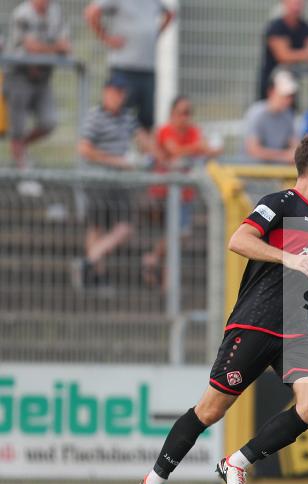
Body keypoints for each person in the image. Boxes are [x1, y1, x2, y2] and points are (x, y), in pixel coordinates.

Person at [139, 134, 308, 484]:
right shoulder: (278, 203)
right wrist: (287, 257)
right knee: (211, 411)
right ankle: (154, 482)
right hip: (255, 323)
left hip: (292, 327)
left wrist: (304, 309)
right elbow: (240, 240)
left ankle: (238, 462)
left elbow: (301, 275)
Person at [74, 75, 158, 291]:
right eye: (113, 92)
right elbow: (84, 149)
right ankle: (96, 275)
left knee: (125, 227)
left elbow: (145, 142)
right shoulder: (95, 116)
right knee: (97, 226)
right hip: (98, 180)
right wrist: (117, 161)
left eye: (120, 93)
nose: (117, 97)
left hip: (120, 182)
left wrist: (149, 152)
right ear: (105, 93)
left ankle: (88, 261)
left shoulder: (127, 118)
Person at [143, 95, 222, 287]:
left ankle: (159, 269)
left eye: (188, 113)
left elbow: (211, 150)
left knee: (180, 236)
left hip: (184, 195)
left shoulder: (193, 131)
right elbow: (175, 150)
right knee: (177, 235)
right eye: (182, 113)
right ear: (172, 114)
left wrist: (203, 148)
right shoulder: (165, 131)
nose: (185, 117)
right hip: (163, 194)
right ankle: (156, 264)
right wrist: (198, 148)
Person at [5, 0, 70, 186]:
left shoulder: (56, 11)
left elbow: (66, 44)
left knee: (49, 122)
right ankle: (23, 176)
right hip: (18, 76)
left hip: (43, 78)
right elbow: (30, 47)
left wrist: (44, 53)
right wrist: (54, 49)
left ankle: (20, 149)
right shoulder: (22, 13)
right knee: (17, 129)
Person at [84, 0, 174, 131]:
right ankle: (112, 150)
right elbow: (91, 12)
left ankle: (145, 151)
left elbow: (170, 14)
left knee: (146, 121)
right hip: (123, 68)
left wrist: (155, 34)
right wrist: (105, 38)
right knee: (116, 117)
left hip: (147, 69)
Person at [257, 0, 308, 102]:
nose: (296, 7)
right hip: (272, 83)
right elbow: (284, 57)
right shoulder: (276, 27)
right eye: (293, 3)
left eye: (299, 3)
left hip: (291, 84)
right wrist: (307, 53)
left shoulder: (306, 28)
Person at [244, 69, 300, 165]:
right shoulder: (257, 114)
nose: (288, 100)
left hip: (274, 173)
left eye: (290, 96)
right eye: (284, 95)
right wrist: (284, 156)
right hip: (251, 172)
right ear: (271, 92)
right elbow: (253, 150)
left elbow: (296, 147)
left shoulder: (288, 115)